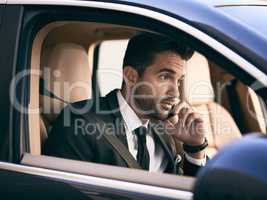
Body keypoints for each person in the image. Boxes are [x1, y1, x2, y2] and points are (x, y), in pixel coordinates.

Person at [43, 33, 208, 176]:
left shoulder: (166, 131)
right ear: (131, 76)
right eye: (165, 77)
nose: (176, 93)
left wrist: (195, 148)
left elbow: (190, 190)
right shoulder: (78, 123)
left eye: (179, 81)